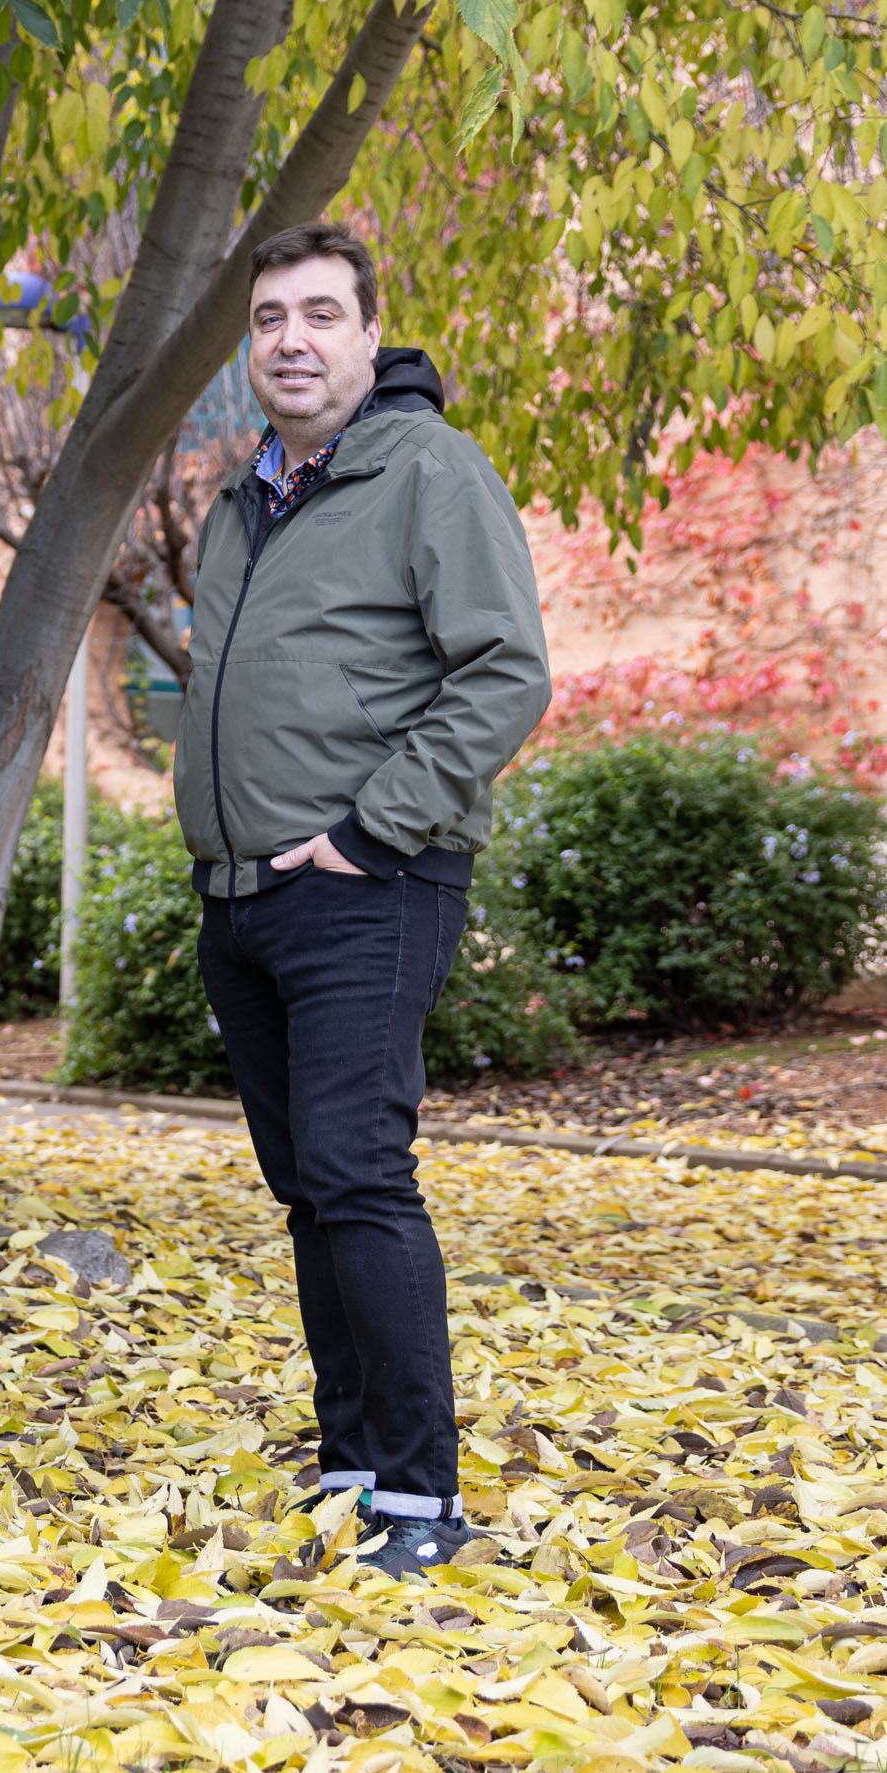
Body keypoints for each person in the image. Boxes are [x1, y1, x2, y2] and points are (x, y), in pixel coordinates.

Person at [171, 224, 550, 1578]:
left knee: (356, 1173)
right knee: (308, 1189)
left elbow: (505, 671)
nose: (291, 339)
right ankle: (350, 1465)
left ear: (368, 334)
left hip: (367, 882)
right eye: (270, 316)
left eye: (320, 313)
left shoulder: (427, 468)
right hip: (242, 894)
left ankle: (420, 1495)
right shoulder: (243, 498)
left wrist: (367, 830)